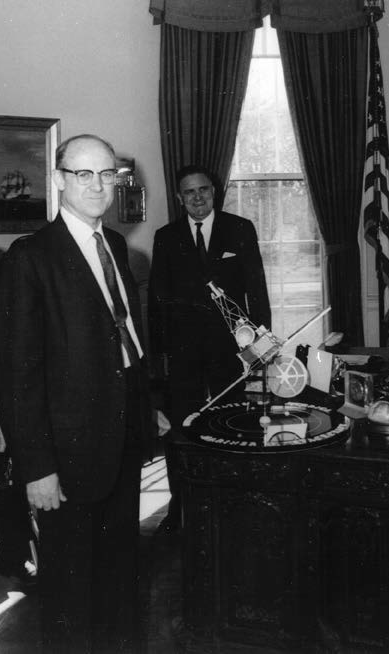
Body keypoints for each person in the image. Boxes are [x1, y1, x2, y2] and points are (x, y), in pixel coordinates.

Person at [0, 134, 152, 652]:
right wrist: (37, 466)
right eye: (84, 174)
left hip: (121, 444)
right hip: (66, 456)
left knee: (117, 578)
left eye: (107, 174)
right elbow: (18, 375)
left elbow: (121, 343)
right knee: (68, 593)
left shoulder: (116, 246)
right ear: (59, 180)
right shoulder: (30, 257)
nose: (98, 185)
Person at [148, 164, 270, 528]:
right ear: (179, 197)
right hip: (183, 352)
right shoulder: (166, 236)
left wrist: (261, 345)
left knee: (232, 422)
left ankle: (233, 499)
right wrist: (158, 356)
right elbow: (157, 300)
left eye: (203, 190)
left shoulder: (240, 229)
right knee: (181, 427)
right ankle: (180, 505)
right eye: (189, 192)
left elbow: (257, 291)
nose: (197, 198)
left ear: (213, 192)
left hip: (230, 349)